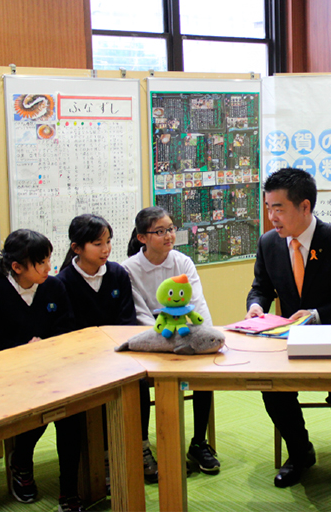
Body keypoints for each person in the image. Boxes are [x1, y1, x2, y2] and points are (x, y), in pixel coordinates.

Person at [246, 168, 331, 489]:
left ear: (304, 207)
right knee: (272, 387)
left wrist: (316, 314)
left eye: (279, 208)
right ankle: (300, 452)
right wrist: (256, 305)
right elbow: (261, 286)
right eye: (268, 207)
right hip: (293, 338)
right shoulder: (269, 243)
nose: (272, 216)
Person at [0, 229, 81, 512]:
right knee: (31, 412)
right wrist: (25, 350)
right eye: (41, 263)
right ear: (17, 267)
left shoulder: (54, 287)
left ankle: (69, 492)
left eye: (48, 260)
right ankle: (21, 460)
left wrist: (45, 348)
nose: (50, 268)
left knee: (72, 415)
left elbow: (66, 328)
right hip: (11, 379)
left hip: (54, 372)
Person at [122, 206, 219, 476]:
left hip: (185, 338)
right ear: (142, 238)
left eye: (171, 229)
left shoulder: (182, 262)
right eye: (160, 231)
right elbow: (140, 314)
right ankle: (143, 447)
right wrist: (164, 340)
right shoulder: (128, 269)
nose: (169, 236)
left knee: (205, 371)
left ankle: (199, 442)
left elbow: (197, 304)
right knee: (139, 381)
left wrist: (202, 337)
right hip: (152, 343)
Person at [56, 214, 138, 490]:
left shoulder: (117, 273)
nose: (106, 249)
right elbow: (67, 330)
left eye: (108, 242)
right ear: (76, 248)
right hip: (80, 365)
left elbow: (127, 320)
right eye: (97, 243)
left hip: (116, 356)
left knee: (134, 392)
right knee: (76, 416)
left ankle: (122, 459)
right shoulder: (63, 282)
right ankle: (79, 476)